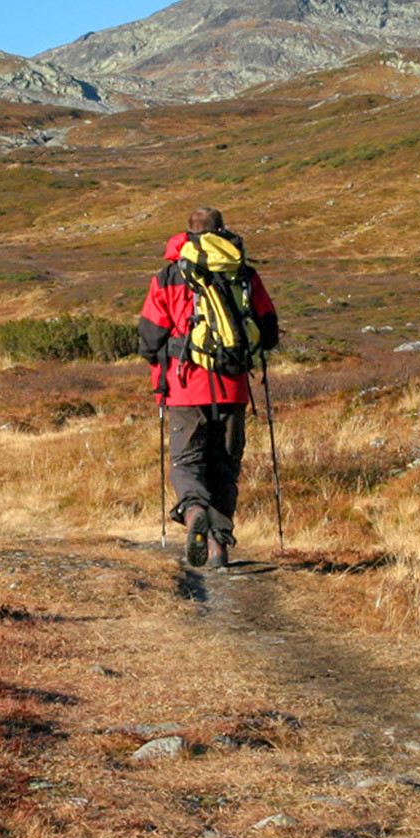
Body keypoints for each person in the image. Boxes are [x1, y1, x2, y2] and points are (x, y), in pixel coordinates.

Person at [138, 206, 279, 569]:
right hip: (233, 388)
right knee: (225, 467)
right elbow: (269, 330)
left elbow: (150, 337)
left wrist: (162, 372)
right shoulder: (244, 273)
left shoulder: (169, 276)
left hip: (185, 387)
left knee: (187, 462)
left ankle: (194, 510)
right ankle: (219, 551)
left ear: (186, 235)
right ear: (223, 230)